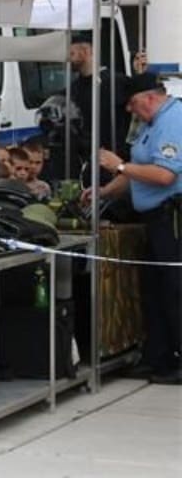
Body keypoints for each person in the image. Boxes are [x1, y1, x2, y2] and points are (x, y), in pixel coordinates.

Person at [83, 73, 182, 384]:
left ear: (150, 97)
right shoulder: (149, 124)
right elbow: (137, 169)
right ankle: (158, 357)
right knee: (153, 290)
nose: (130, 111)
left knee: (175, 289)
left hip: (173, 218)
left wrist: (119, 165)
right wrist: (105, 191)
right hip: (153, 220)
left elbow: (164, 175)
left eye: (132, 104)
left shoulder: (173, 120)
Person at [67, 33, 132, 159]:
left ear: (85, 52)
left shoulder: (117, 82)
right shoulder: (73, 89)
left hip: (117, 156)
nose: (68, 60)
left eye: (71, 54)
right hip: (87, 157)